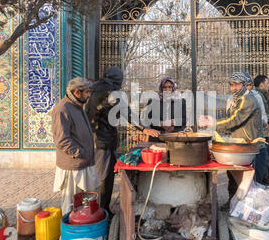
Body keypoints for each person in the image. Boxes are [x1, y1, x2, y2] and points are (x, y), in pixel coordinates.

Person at [86, 66, 160, 215]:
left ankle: (91, 209)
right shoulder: (111, 93)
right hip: (104, 143)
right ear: (117, 80)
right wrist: (144, 128)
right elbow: (127, 113)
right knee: (105, 178)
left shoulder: (91, 89)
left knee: (92, 177)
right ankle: (102, 211)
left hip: (89, 140)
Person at [199, 71, 263, 210]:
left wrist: (213, 123)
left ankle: (250, 208)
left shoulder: (248, 100)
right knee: (233, 177)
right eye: (232, 85)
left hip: (247, 145)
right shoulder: (237, 100)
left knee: (247, 180)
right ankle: (234, 203)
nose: (233, 88)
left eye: (237, 85)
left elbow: (235, 120)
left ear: (246, 85)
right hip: (237, 145)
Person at [51, 77, 98, 216]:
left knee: (84, 205)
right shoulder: (62, 109)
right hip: (73, 167)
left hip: (84, 163)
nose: (89, 95)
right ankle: (69, 236)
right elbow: (62, 140)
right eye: (87, 92)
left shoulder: (77, 106)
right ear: (77, 92)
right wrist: (81, 152)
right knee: (71, 205)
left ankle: (84, 233)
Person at [142, 77, 188, 142]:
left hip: (176, 135)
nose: (167, 89)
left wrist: (171, 122)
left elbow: (184, 119)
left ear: (173, 88)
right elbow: (147, 119)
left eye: (170, 87)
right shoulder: (153, 101)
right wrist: (161, 123)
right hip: (157, 135)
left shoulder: (181, 101)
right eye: (165, 87)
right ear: (161, 88)